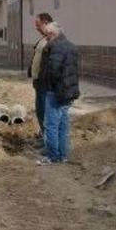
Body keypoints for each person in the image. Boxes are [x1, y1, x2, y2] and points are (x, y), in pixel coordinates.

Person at [37, 21, 80, 165]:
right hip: (69, 91)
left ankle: (53, 156)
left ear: (52, 34)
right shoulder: (71, 47)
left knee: (51, 125)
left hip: (55, 92)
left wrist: (46, 84)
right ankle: (63, 155)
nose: (46, 38)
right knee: (63, 125)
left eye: (47, 35)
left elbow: (53, 71)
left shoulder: (55, 47)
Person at [27, 12, 53, 149]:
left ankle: (49, 144)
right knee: (40, 111)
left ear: (46, 23)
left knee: (45, 112)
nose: (36, 28)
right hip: (40, 83)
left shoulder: (53, 39)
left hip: (46, 84)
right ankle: (45, 139)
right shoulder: (44, 39)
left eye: (38, 25)